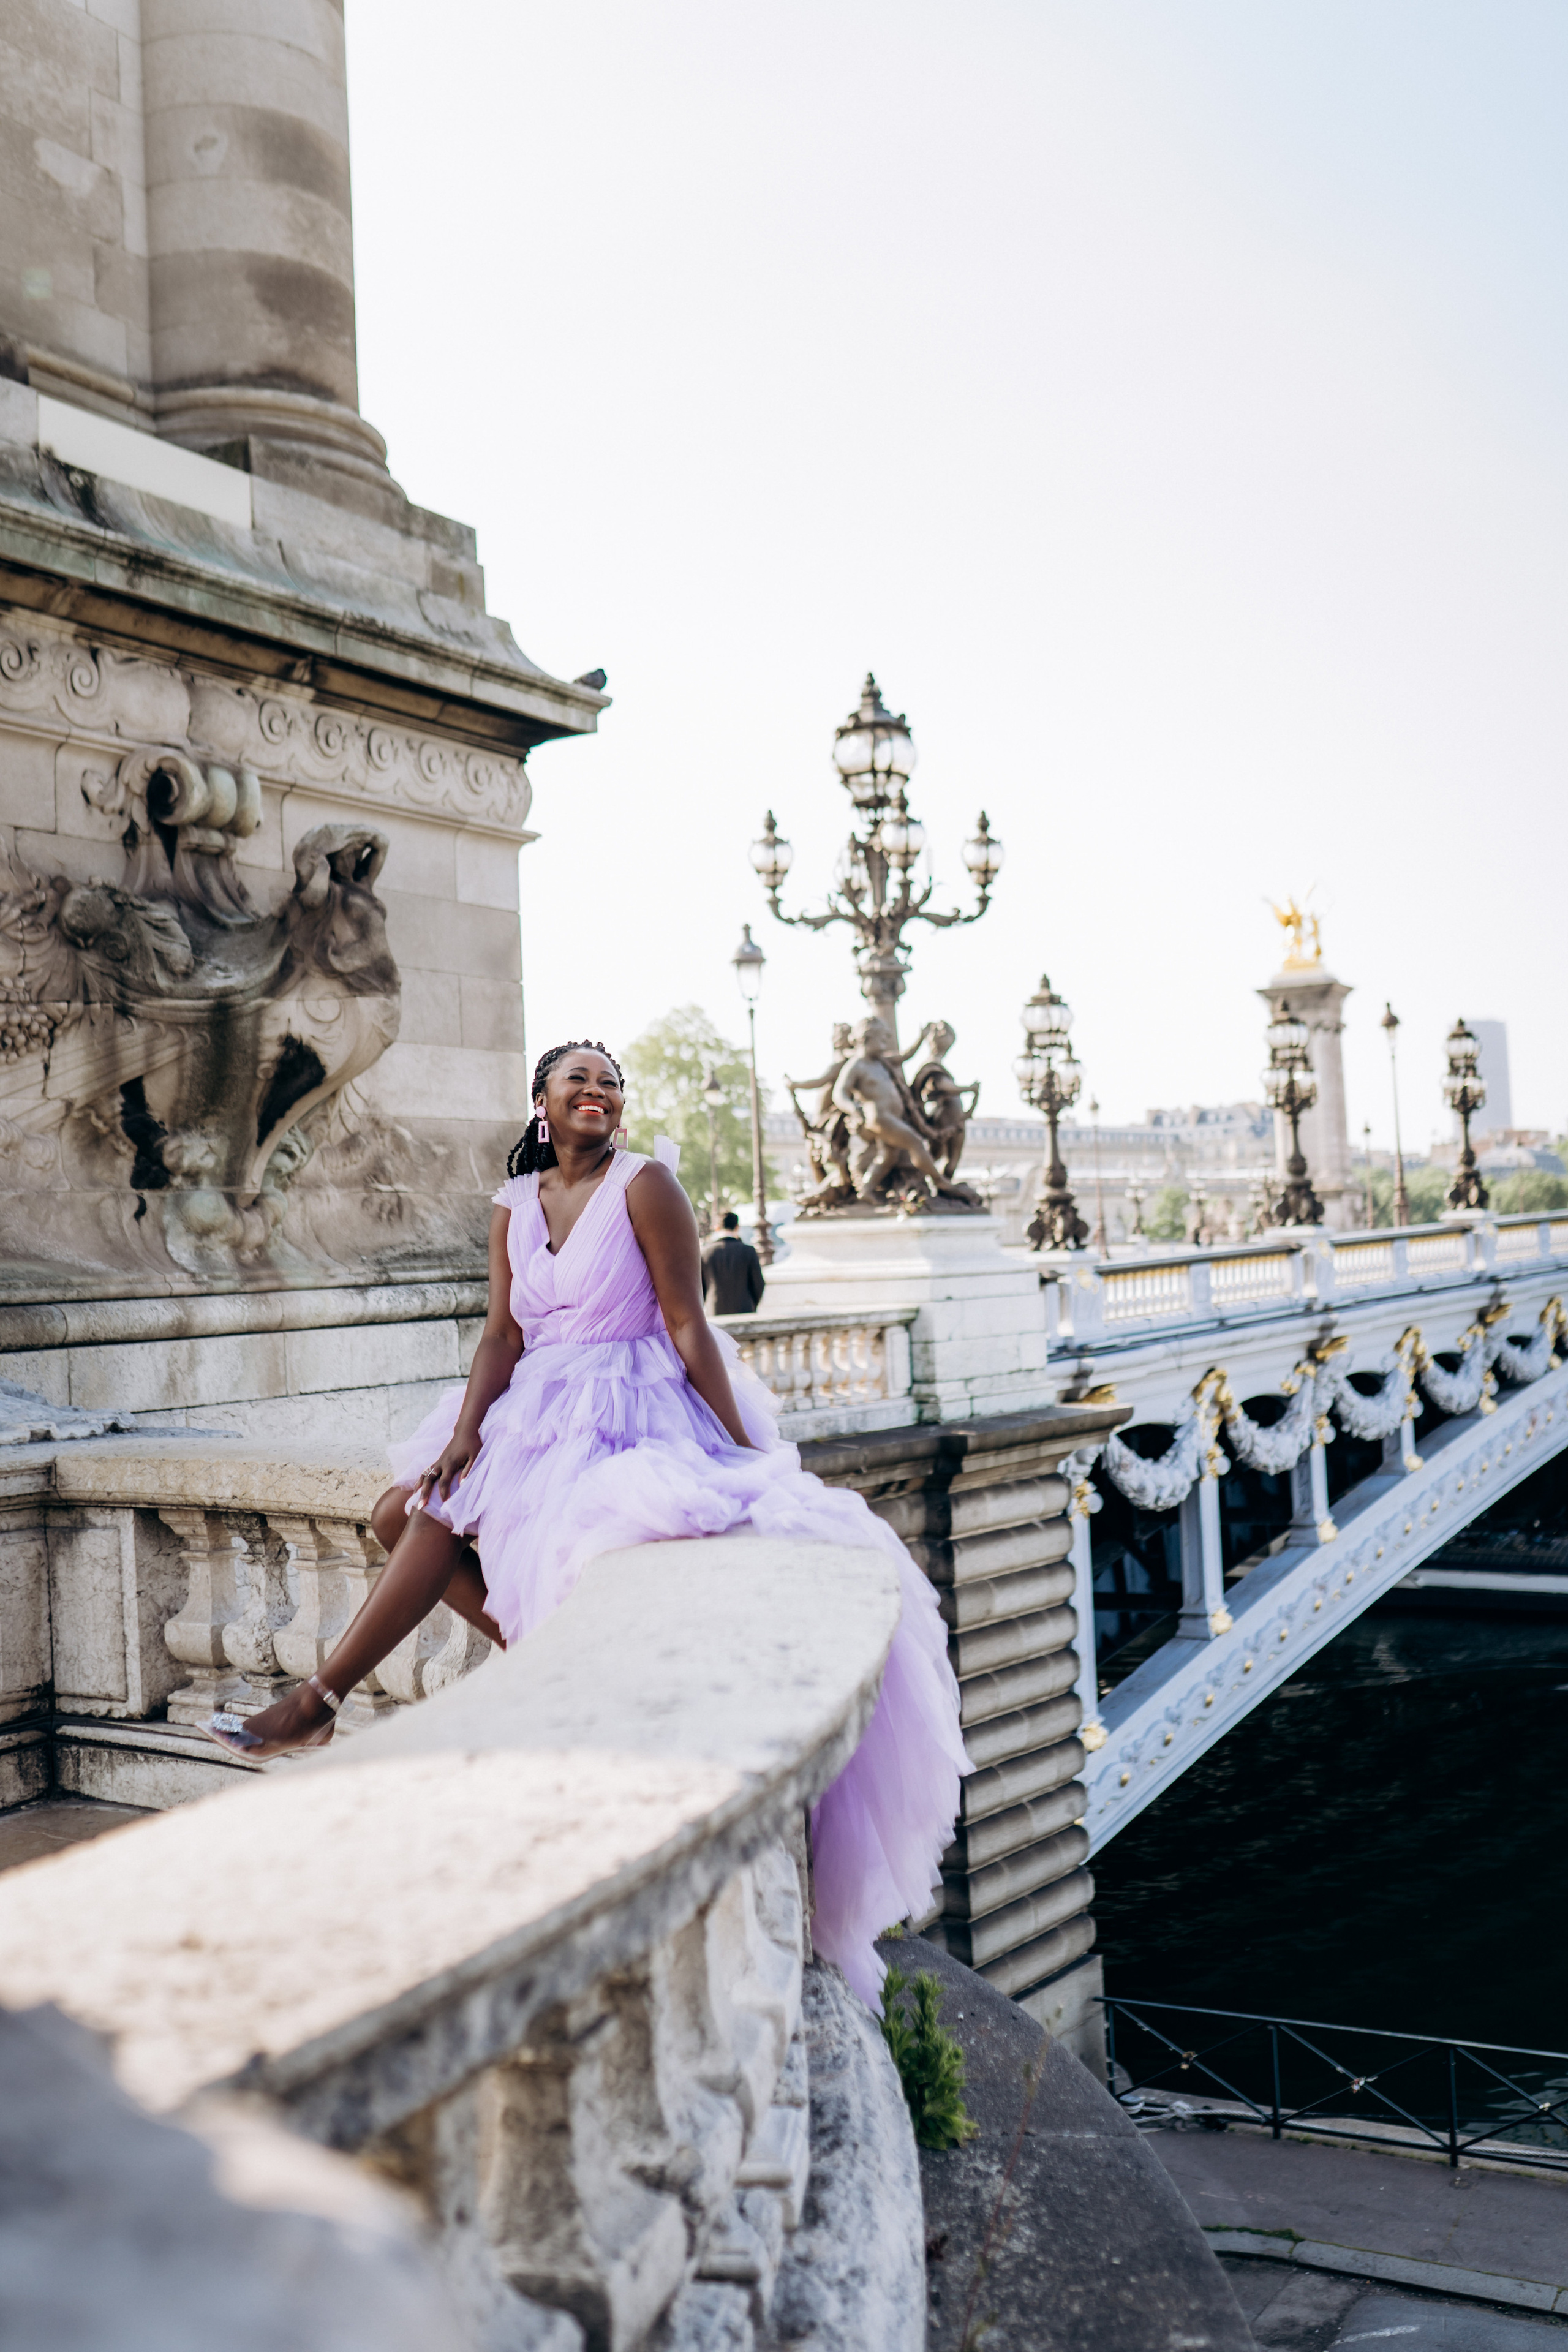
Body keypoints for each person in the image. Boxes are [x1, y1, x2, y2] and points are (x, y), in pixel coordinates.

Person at [206, 1038, 968, 2010]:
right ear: (543, 1104)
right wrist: (466, 1432)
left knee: (439, 1523)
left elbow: (689, 1323)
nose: (600, 1094)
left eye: (611, 1083)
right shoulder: (512, 1206)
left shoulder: (648, 1186)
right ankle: (513, 1652)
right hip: (530, 1400)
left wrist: (742, 1449)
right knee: (402, 1509)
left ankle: (317, 1701)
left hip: (626, 1401)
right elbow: (501, 1334)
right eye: (581, 1081)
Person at [701, 1209, 765, 1316]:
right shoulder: (748, 1251)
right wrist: (752, 1304)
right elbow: (759, 1284)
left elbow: (700, 1288)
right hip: (745, 1310)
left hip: (715, 1311)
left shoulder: (705, 1253)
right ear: (737, 1227)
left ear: (717, 1228)